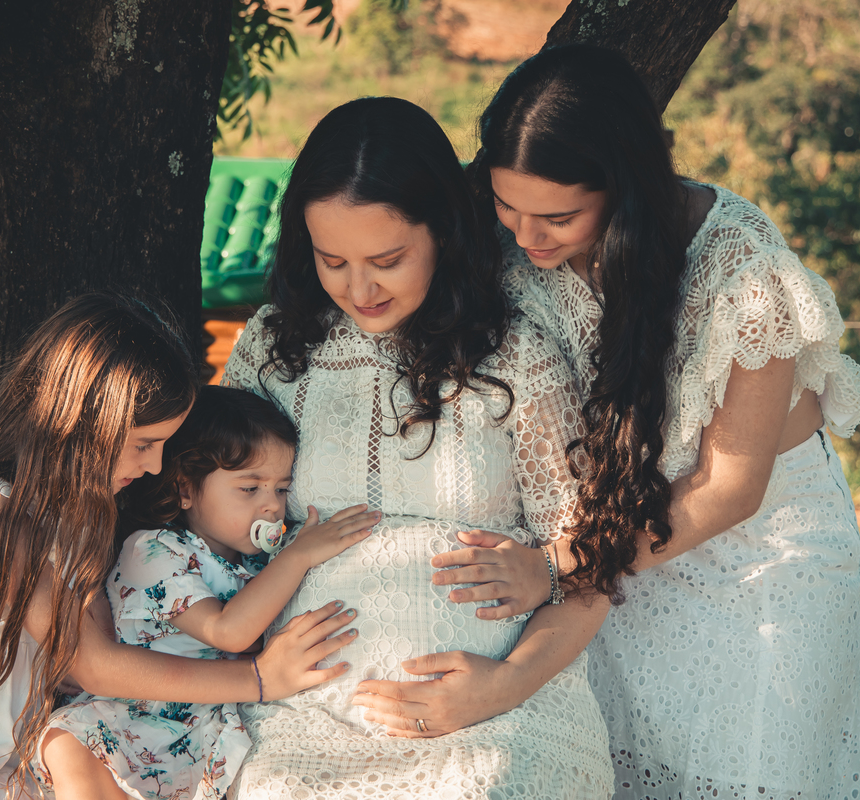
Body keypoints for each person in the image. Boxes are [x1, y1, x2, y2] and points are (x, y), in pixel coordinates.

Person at [431, 43, 860, 799]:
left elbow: (729, 490)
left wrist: (556, 566)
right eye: (508, 207)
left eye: (558, 217)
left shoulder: (740, 269)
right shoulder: (518, 247)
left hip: (760, 560)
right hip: (623, 552)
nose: (526, 236)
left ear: (625, 187)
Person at [0, 294, 359, 800]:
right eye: (143, 443)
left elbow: (95, 654)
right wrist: (259, 679)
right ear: (83, 420)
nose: (155, 466)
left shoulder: (76, 517)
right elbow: (90, 661)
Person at [221, 96, 615, 799]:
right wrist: (253, 664)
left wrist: (505, 684)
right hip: (296, 711)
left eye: (388, 259)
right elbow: (210, 534)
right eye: (332, 260)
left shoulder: (514, 356)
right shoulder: (273, 348)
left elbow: (593, 566)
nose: (359, 288)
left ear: (443, 233)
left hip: (499, 711)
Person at [34, 384, 378, 800]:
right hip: (132, 714)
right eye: (250, 488)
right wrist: (299, 555)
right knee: (66, 743)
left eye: (281, 489)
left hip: (207, 727)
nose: (272, 506)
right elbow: (228, 632)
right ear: (186, 489)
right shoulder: (153, 550)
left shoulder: (258, 564)